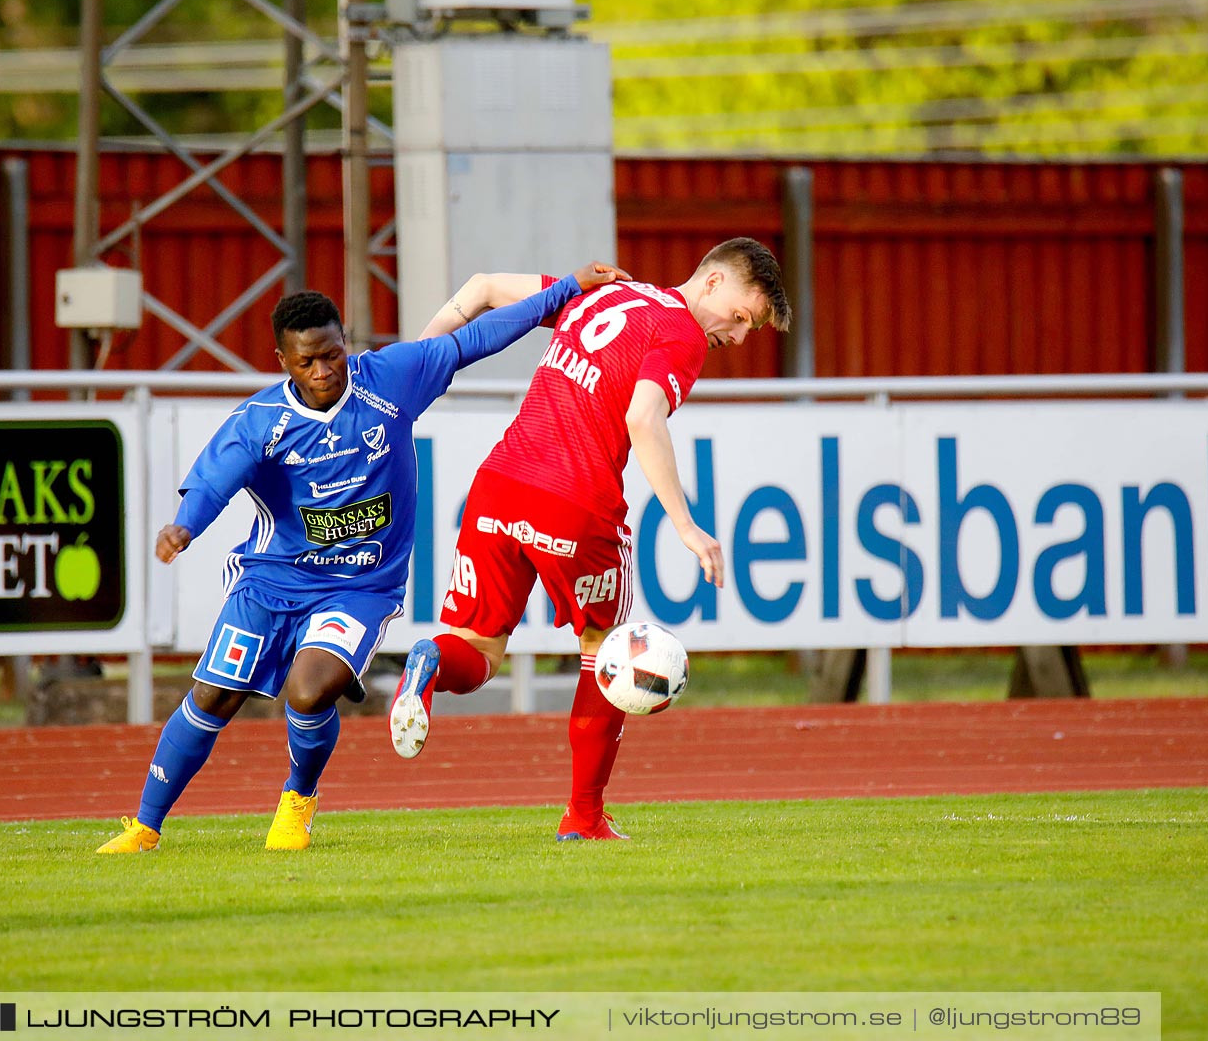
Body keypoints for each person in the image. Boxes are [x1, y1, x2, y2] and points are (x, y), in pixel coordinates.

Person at [96, 261, 628, 854]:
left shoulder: (391, 378)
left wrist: (566, 291)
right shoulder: (260, 421)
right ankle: (144, 827)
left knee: (308, 690)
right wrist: (183, 526)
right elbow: (213, 482)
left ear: (345, 342)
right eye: (307, 362)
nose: (324, 371)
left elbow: (476, 338)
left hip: (359, 586)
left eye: (332, 354)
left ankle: (297, 803)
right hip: (271, 579)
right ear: (282, 362)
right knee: (213, 697)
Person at [389, 237, 792, 841]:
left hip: (498, 485)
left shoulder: (604, 290)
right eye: (740, 318)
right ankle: (582, 817)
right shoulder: (680, 334)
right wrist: (685, 525)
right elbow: (642, 416)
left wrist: (412, 374)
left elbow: (479, 289)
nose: (736, 337)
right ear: (711, 281)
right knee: (606, 654)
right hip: (577, 503)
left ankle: (427, 663)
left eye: (749, 330)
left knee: (476, 649)